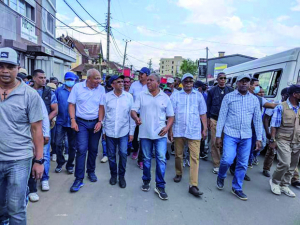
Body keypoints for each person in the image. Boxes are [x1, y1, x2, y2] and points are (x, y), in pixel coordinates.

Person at [0, 47, 44, 224]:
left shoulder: (30, 95)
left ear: (18, 68)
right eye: (1, 66)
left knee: (15, 208)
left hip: (19, 159)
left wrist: (39, 160)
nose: (4, 70)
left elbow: (36, 129)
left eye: (9, 66)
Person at [216, 74, 262, 201]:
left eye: (246, 81)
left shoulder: (254, 100)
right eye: (241, 81)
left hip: (246, 136)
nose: (244, 83)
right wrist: (218, 135)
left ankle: (237, 188)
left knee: (242, 163)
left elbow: (258, 119)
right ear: (237, 83)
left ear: (249, 84)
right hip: (231, 134)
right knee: (227, 160)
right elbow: (222, 117)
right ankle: (221, 175)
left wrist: (259, 138)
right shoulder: (228, 97)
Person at [131, 73, 174, 200]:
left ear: (158, 82)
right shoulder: (141, 95)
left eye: (151, 80)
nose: (148, 82)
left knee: (161, 159)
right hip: (145, 133)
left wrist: (167, 128)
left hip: (160, 134)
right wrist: (136, 118)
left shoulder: (165, 97)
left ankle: (160, 185)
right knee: (146, 159)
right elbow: (133, 110)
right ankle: (146, 180)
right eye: (147, 80)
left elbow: (171, 116)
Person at [169, 73, 207, 197]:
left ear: (193, 83)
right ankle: (179, 173)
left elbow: (202, 113)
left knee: (194, 157)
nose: (188, 83)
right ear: (182, 83)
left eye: (191, 81)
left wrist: (205, 128)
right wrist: (170, 130)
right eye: (186, 81)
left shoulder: (199, 96)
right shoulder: (175, 96)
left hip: (194, 131)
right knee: (179, 155)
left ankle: (193, 185)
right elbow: (171, 114)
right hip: (179, 130)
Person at [68, 69, 105, 192]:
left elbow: (101, 107)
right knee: (82, 149)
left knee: (93, 149)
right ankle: (78, 179)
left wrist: (100, 121)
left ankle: (91, 171)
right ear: (88, 78)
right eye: (96, 78)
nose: (98, 81)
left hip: (95, 122)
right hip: (81, 123)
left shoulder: (101, 89)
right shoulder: (77, 88)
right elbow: (71, 104)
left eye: (99, 78)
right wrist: (73, 120)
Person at [103, 75, 135, 188]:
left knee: (123, 154)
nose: (122, 83)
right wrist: (103, 131)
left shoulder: (129, 97)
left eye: (122, 82)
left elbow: (132, 116)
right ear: (112, 84)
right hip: (110, 131)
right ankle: (113, 175)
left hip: (124, 131)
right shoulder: (106, 97)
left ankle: (121, 176)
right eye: (118, 82)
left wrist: (131, 132)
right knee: (111, 155)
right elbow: (103, 115)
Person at [269, 85, 300, 197]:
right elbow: (274, 125)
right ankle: (275, 182)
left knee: (293, 164)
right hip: (283, 139)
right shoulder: (281, 107)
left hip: (297, 140)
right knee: (285, 163)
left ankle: (284, 185)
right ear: (294, 94)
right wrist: (272, 139)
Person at [32, 69, 58, 191]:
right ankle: (31, 183)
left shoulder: (49, 92)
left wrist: (44, 122)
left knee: (45, 154)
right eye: (41, 78)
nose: (43, 80)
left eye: (44, 78)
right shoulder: (27, 91)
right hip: (29, 128)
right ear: (34, 78)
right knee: (30, 155)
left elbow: (55, 110)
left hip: (44, 127)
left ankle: (44, 179)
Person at [207, 72, 233, 174]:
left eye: (224, 78)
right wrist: (209, 119)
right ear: (217, 79)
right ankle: (217, 164)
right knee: (214, 141)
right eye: (221, 78)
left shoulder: (230, 91)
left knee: (225, 141)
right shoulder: (212, 91)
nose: (223, 80)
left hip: (227, 120)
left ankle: (225, 161)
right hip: (214, 118)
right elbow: (208, 105)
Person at [28, 96, 50, 202]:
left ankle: (32, 190)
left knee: (31, 163)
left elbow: (43, 117)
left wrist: (45, 133)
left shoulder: (30, 94)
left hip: (27, 137)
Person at [54, 72, 77, 174]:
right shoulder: (58, 91)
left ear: (74, 80)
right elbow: (55, 104)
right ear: (64, 79)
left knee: (72, 145)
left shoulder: (77, 91)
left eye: (72, 80)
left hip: (73, 122)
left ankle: (70, 165)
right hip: (60, 121)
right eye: (68, 79)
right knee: (57, 143)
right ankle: (60, 162)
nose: (70, 82)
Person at [262, 88, 289, 177]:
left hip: (286, 132)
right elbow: (266, 118)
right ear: (283, 95)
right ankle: (266, 168)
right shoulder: (275, 104)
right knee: (271, 151)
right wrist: (267, 132)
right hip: (274, 130)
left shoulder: (292, 106)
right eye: (287, 95)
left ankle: (294, 178)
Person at [129, 67, 150, 169]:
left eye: (142, 74)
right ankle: (135, 149)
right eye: (139, 74)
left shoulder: (149, 86)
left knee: (143, 137)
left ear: (147, 75)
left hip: (145, 115)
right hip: (134, 114)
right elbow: (130, 98)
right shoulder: (134, 85)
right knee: (134, 134)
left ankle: (141, 159)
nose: (140, 75)